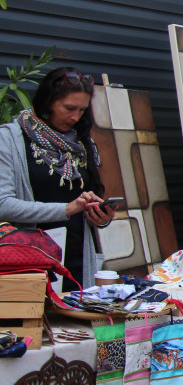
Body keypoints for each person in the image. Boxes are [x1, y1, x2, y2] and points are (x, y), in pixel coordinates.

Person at [0, 67, 116, 288]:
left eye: (82, 110)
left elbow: (85, 199)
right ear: (48, 102)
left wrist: (99, 216)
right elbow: (3, 204)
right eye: (69, 108)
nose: (75, 117)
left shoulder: (81, 142)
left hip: (76, 260)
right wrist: (65, 210)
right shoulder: (9, 140)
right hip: (28, 260)